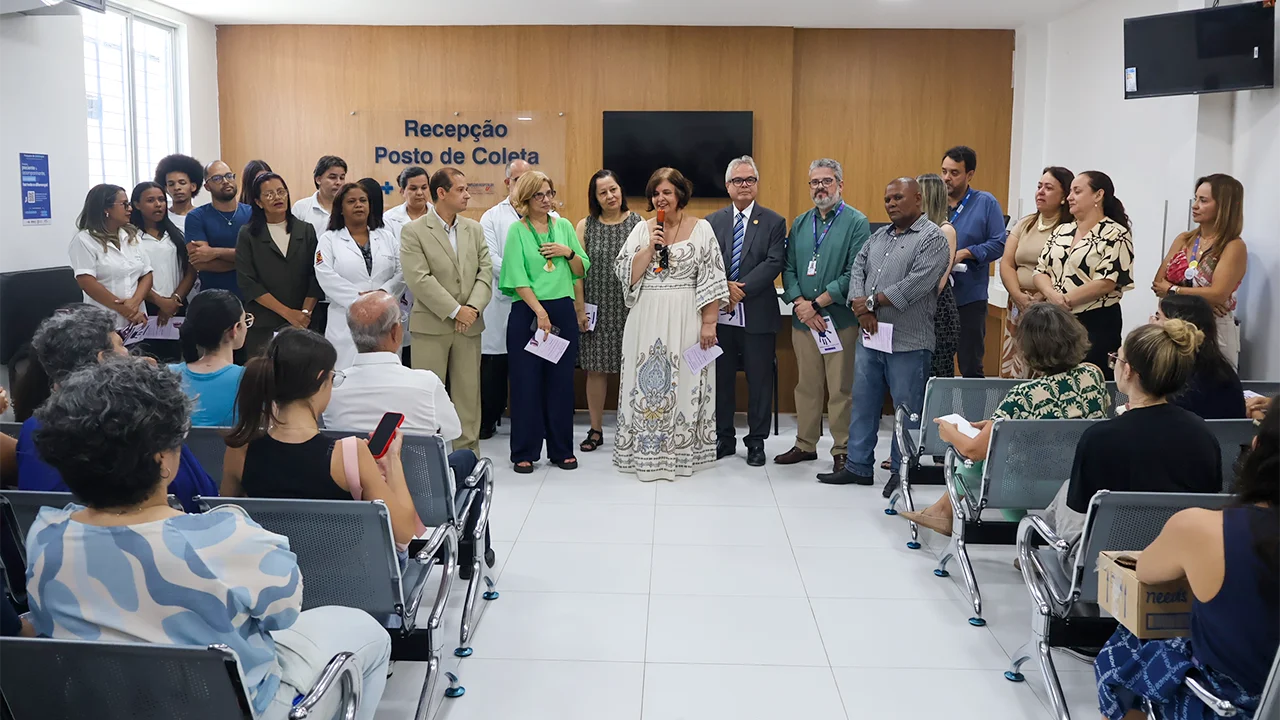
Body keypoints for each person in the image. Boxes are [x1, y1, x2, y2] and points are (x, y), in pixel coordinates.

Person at [24, 357, 391, 720]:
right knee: (367, 631)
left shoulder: (45, 537)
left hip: (109, 704)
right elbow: (284, 612)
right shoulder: (226, 536)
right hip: (240, 704)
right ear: (162, 460)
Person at [1093, 396, 1280, 720]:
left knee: (1135, 643)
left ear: (1258, 446)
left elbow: (1148, 570)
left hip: (1229, 707)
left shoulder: (1205, 530)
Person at [900, 303, 1110, 535]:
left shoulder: (1024, 396)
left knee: (976, 462)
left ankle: (1016, 533)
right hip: (1078, 479)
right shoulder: (1093, 374)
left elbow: (973, 451)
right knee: (990, 448)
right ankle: (942, 512)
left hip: (1025, 486)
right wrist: (994, 426)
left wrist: (950, 432)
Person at [324, 292, 493, 576]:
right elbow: (453, 430)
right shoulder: (424, 382)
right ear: (395, 332)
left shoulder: (334, 388)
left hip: (355, 497)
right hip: (425, 500)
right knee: (466, 458)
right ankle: (473, 553)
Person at [222, 328, 419, 547]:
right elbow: (403, 532)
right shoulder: (350, 453)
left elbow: (226, 522)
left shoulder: (241, 449)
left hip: (271, 577)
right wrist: (392, 461)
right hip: (344, 578)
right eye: (333, 378)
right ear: (320, 378)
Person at [14, 305, 217, 511]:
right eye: (122, 344)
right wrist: (154, 393)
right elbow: (202, 496)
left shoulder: (32, 427)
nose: (129, 352)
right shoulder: (135, 423)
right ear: (105, 359)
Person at [819, 177, 950, 488]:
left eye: (898, 198)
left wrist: (870, 303)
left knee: (906, 410)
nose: (890, 203)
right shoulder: (878, 237)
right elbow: (858, 269)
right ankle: (858, 466)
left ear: (918, 199)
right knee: (863, 402)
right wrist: (861, 307)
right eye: (887, 199)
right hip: (871, 337)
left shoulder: (933, 239)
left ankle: (901, 473)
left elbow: (918, 283)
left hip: (909, 341)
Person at [1049, 319, 1223, 548]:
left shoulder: (1099, 438)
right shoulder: (1203, 434)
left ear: (1129, 370)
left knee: (1067, 491)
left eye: (1118, 359)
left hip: (1107, 564)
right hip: (1179, 561)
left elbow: (1080, 509)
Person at [613, 167, 728, 482]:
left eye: (666, 192)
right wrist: (650, 248)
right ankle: (647, 454)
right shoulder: (642, 229)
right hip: (646, 314)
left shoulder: (702, 228)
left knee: (686, 382)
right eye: (655, 193)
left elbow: (713, 278)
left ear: (680, 194)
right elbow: (625, 274)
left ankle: (681, 453)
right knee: (648, 384)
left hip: (686, 314)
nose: (660, 198)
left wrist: (709, 323)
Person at [776, 159, 871, 472]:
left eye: (827, 181)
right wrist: (801, 304)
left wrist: (816, 304)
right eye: (814, 182)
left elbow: (854, 272)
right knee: (807, 385)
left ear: (840, 185)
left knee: (841, 389)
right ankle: (805, 444)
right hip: (804, 322)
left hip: (839, 321)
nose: (820, 187)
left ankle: (842, 449)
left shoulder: (857, 222)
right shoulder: (802, 223)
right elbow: (788, 268)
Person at [498, 171, 589, 473]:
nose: (546, 200)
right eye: (539, 195)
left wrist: (568, 251)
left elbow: (581, 268)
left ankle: (562, 450)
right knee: (526, 384)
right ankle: (524, 451)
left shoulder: (563, 226)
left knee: (561, 384)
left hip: (561, 309)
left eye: (549, 193)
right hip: (528, 311)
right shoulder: (517, 230)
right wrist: (539, 312)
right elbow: (515, 276)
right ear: (525, 198)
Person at [401, 167, 492, 455]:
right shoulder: (413, 230)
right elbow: (418, 278)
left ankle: (468, 455)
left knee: (468, 395)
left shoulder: (474, 229)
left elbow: (485, 272)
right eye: (461, 190)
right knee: (427, 397)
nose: (467, 195)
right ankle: (426, 457)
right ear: (441, 193)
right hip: (431, 326)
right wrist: (455, 310)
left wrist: (473, 308)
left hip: (470, 326)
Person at [706, 156, 786, 467]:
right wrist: (724, 286)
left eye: (750, 180)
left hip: (757, 315)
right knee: (721, 379)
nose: (744, 185)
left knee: (759, 381)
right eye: (738, 180)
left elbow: (774, 262)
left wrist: (740, 288)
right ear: (728, 186)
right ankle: (723, 438)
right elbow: (707, 260)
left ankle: (756, 442)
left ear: (756, 184)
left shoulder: (774, 221)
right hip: (721, 315)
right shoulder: (712, 222)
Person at [1033, 170, 1135, 381]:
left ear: (1098, 195)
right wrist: (1052, 295)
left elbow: (1107, 281)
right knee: (1056, 380)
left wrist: (1064, 300)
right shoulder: (1062, 230)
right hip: (1056, 320)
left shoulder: (1116, 233)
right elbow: (1040, 270)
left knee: (1091, 381)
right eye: (1070, 192)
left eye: (1077, 192)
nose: (1070, 197)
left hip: (1096, 321)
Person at [574, 169, 642, 453]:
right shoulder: (585, 226)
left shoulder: (638, 223)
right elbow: (577, 272)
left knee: (635, 370)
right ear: (595, 198)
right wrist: (579, 309)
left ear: (620, 190)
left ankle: (634, 427)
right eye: (603, 192)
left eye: (613, 189)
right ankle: (596, 429)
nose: (610, 196)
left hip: (631, 308)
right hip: (596, 308)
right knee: (596, 371)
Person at [1153, 174, 1248, 370]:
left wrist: (1174, 290)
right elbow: (1158, 283)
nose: (1195, 205)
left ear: (1224, 206)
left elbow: (1217, 294)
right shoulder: (1184, 239)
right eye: (1196, 198)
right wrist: (1201, 300)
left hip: (1213, 331)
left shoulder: (1233, 246)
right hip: (1174, 326)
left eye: (1203, 200)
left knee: (1211, 391)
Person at [314, 182, 405, 370]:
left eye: (363, 200)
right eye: (351, 201)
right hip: (345, 319)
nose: (358, 205)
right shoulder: (329, 239)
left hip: (385, 317)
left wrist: (382, 295)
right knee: (346, 376)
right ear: (340, 208)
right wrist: (361, 300)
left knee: (386, 375)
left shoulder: (386, 236)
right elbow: (325, 275)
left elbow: (402, 271)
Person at [478, 160, 536, 440]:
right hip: (502, 298)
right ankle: (488, 419)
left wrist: (533, 281)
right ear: (507, 183)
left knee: (530, 363)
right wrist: (523, 279)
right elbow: (489, 259)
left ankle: (528, 421)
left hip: (537, 299)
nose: (523, 185)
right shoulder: (491, 217)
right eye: (517, 180)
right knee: (494, 366)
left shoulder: (545, 216)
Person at [236, 172, 323, 357]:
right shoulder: (248, 234)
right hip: (264, 323)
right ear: (258, 202)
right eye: (269, 194)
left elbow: (315, 275)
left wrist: (304, 313)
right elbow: (248, 282)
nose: (277, 197)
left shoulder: (305, 230)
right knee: (265, 376)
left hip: (303, 322)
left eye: (281, 192)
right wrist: (288, 313)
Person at [999, 166, 1075, 378]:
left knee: (1043, 365)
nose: (1040, 192)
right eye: (1039, 186)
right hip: (1018, 302)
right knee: (1015, 364)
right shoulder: (1025, 223)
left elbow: (1067, 269)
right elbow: (1007, 263)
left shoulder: (1071, 228)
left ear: (1063, 196)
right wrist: (1018, 296)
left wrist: (1040, 297)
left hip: (1049, 307)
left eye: (1048, 188)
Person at [940, 146, 1007, 378]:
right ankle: (938, 413)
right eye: (944, 171)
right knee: (938, 362)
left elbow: (999, 244)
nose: (947, 178)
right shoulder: (933, 203)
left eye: (954, 173)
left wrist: (966, 252)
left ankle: (973, 413)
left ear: (969, 175)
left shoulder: (985, 202)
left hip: (969, 297)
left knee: (970, 364)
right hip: (936, 298)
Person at [68, 184, 153, 329]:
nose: (130, 209)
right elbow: (87, 282)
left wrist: (135, 303)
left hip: (136, 320)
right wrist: (124, 309)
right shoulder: (84, 240)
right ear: (106, 209)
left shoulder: (132, 237)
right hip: (102, 323)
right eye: (124, 205)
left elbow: (147, 274)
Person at [131, 181, 196, 363]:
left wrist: (174, 300)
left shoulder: (175, 235)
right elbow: (132, 276)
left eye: (161, 199)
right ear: (137, 204)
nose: (158, 204)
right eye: (150, 200)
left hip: (178, 305)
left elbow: (190, 270)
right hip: (147, 307)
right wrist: (160, 302)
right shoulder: (130, 237)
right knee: (153, 362)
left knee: (182, 358)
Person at [1154, 294, 1245, 420]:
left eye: (1158, 317)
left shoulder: (1176, 379)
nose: (1151, 322)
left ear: (1176, 327)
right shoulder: (1222, 369)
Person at [171, 289, 248, 427]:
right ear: (235, 329)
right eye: (245, 321)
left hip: (179, 449)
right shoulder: (251, 379)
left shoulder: (167, 377)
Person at [185, 160, 252, 298]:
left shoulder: (253, 213)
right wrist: (247, 262)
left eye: (229, 176)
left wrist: (215, 252)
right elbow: (201, 263)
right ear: (207, 186)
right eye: (217, 178)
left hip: (252, 297)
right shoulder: (196, 217)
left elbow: (261, 255)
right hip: (214, 299)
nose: (225, 181)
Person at [918, 173, 960, 380]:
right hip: (917, 311)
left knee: (935, 375)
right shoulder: (915, 229)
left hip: (936, 313)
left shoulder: (945, 230)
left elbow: (938, 281)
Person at [292, 155, 348, 238]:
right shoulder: (301, 207)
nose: (338, 182)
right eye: (332, 177)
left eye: (342, 178)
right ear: (318, 179)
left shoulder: (348, 207)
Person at [154, 153, 203, 233]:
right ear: (166, 188)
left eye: (182, 183)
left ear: (193, 186)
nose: (177, 188)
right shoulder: (161, 217)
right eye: (171, 184)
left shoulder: (203, 216)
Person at [383, 165, 433, 235]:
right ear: (402, 191)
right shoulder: (389, 219)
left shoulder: (439, 215)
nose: (419, 193)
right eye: (413, 188)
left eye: (424, 188)